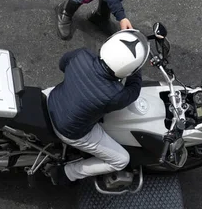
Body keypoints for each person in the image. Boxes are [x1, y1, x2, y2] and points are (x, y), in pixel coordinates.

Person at [43, 29, 150, 185]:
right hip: (69, 130)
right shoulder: (115, 95)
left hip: (50, 98)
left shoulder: (82, 54)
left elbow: (62, 64)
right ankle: (67, 173)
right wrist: (136, 68)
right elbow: (134, 90)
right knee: (120, 160)